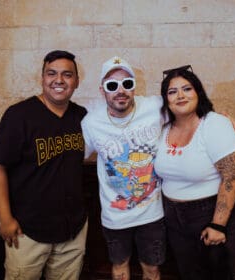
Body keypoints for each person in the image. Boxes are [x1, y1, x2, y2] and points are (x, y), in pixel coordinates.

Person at [0, 50, 88, 280]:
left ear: (76, 81)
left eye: (67, 74)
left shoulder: (82, 117)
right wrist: (5, 218)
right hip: (27, 230)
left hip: (72, 229)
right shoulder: (19, 116)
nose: (59, 80)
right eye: (51, 73)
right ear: (42, 78)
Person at [154, 65, 235, 280]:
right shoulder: (162, 128)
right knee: (190, 275)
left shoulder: (215, 124)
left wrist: (218, 224)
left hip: (214, 212)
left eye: (187, 89)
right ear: (166, 99)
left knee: (221, 275)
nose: (180, 95)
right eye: (172, 91)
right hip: (175, 218)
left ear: (198, 92)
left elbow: (232, 176)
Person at [81, 57, 166, 280]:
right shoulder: (91, 123)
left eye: (127, 83)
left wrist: (218, 119)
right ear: (102, 90)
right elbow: (72, 156)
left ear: (134, 86)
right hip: (114, 216)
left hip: (152, 214)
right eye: (112, 85)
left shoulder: (155, 107)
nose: (120, 90)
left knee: (152, 269)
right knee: (120, 268)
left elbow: (189, 110)